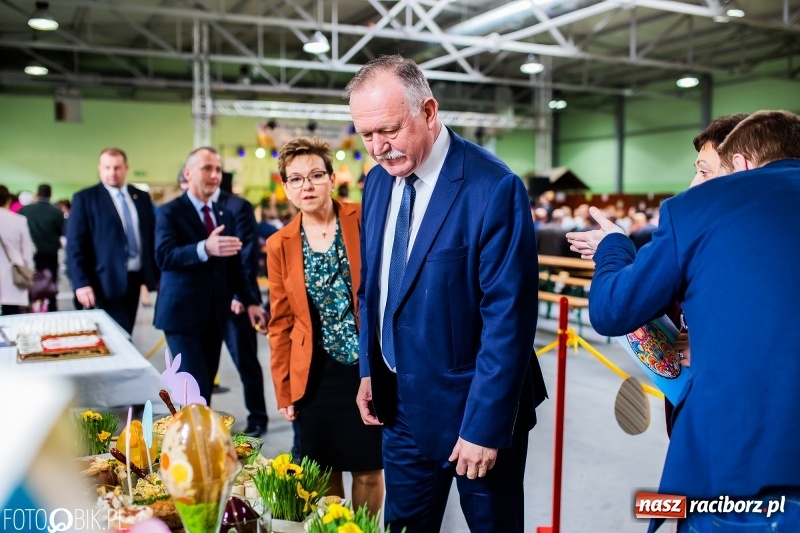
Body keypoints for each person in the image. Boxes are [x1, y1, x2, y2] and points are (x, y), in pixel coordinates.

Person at [566, 110, 800, 532]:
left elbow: (611, 310)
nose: (695, 184)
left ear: (741, 166)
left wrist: (614, 248)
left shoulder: (700, 211)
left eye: (706, 171)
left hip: (737, 471)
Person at [346, 55, 546, 532]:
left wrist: (483, 427)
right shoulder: (377, 183)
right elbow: (372, 287)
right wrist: (370, 369)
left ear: (429, 111)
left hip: (473, 417)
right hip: (398, 409)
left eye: (389, 130)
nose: (378, 147)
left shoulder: (493, 187)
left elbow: (509, 321)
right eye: (366, 135)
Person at [266, 137, 384, 515]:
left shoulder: (364, 218)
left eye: (316, 175)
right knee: (322, 471)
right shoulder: (279, 243)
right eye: (296, 179)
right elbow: (280, 322)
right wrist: (284, 390)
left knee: (369, 469)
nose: (308, 186)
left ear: (332, 179)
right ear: (285, 187)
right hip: (314, 373)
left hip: (365, 367)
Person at [153, 147, 266, 404]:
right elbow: (163, 256)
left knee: (204, 393)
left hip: (214, 314)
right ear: (188, 173)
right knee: (195, 391)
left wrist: (249, 301)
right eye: (207, 168)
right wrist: (203, 248)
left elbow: (234, 264)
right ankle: (191, 442)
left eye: (217, 169)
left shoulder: (222, 213)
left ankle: (200, 441)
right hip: (181, 317)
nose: (214, 175)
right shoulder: (169, 212)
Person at [67, 148, 158, 334]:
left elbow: (150, 236)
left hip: (134, 278)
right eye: (107, 167)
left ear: (126, 168)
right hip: (103, 280)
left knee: (126, 331)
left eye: (117, 167)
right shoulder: (85, 199)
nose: (112, 172)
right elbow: (75, 245)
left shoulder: (140, 197)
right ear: (100, 168)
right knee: (116, 334)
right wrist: (81, 282)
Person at [212, 185, 269, 437]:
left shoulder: (237, 206)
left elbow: (247, 251)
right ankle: (200, 424)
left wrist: (240, 294)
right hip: (203, 303)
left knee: (246, 362)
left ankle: (258, 418)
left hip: (236, 301)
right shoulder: (186, 210)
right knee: (201, 370)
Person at [19, 184, 64, 312]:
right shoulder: (56, 211)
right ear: (50, 195)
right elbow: (62, 231)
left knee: (30, 281)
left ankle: (29, 307)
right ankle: (52, 307)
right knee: (51, 282)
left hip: (30, 254)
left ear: (37, 194)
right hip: (50, 253)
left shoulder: (25, 211)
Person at [0, 185, 35, 315]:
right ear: (9, 200)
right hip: (13, 275)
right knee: (11, 316)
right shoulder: (18, 220)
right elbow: (27, 250)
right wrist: (28, 268)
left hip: (10, 273)